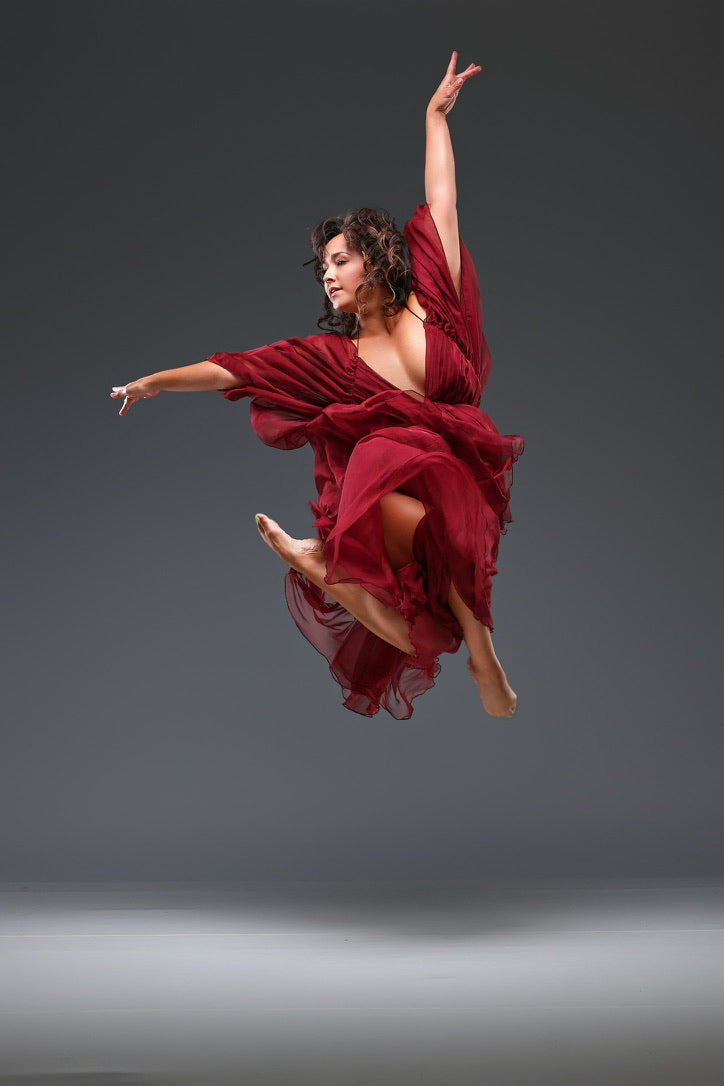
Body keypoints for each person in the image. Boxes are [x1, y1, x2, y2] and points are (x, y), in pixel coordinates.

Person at [111, 52, 524, 721]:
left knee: (427, 629)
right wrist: (155, 381)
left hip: (461, 477)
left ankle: (333, 571)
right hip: (398, 494)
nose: (327, 276)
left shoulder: (436, 300)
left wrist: (434, 119)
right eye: (323, 268)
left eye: (340, 260)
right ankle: (480, 658)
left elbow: (443, 200)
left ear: (377, 258)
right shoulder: (336, 359)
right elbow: (238, 367)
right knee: (385, 456)